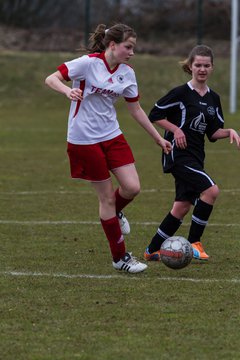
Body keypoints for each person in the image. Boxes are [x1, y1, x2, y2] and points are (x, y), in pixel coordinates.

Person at [45, 23, 172, 273]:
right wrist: (66, 90)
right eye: (128, 47)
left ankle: (114, 214)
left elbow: (134, 109)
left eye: (133, 47)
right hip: (84, 139)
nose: (132, 52)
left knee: (132, 187)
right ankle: (120, 258)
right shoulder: (88, 63)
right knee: (106, 198)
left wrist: (157, 138)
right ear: (112, 45)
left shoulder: (127, 72)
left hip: (112, 135)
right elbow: (51, 78)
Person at [144, 45, 240, 262]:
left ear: (212, 68)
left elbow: (213, 133)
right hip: (177, 154)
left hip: (196, 156)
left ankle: (151, 250)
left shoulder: (213, 99)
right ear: (190, 66)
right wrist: (176, 129)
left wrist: (231, 131)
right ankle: (195, 242)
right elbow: (154, 114)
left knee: (182, 207)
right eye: (198, 65)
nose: (202, 69)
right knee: (211, 191)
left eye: (206, 65)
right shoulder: (180, 93)